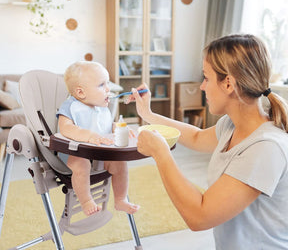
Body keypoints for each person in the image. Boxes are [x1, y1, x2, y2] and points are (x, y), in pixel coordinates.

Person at [128, 34, 288, 249]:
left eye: (206, 78)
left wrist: (161, 154)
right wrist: (148, 114)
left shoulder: (266, 147)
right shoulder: (231, 125)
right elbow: (195, 137)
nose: (202, 87)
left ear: (228, 84)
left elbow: (199, 217)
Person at [57, 61, 140, 216]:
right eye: (102, 85)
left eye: (107, 83)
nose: (108, 89)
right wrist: (89, 136)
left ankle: (121, 199)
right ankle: (86, 201)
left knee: (120, 163)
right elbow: (65, 127)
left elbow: (106, 126)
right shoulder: (71, 106)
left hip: (100, 154)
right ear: (81, 93)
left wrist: (118, 128)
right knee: (80, 165)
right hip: (74, 153)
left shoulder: (102, 108)